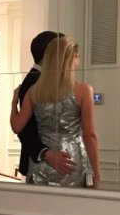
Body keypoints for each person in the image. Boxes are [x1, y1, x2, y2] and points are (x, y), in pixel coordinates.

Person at [10, 36, 100, 188]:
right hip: (71, 161)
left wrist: (14, 104)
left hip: (41, 165)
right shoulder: (84, 90)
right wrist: (97, 173)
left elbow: (16, 127)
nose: (78, 60)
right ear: (71, 58)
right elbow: (89, 135)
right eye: (77, 56)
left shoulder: (34, 91)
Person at [17, 31, 77, 179]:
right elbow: (24, 129)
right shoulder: (34, 82)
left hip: (57, 162)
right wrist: (45, 153)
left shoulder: (44, 79)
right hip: (41, 162)